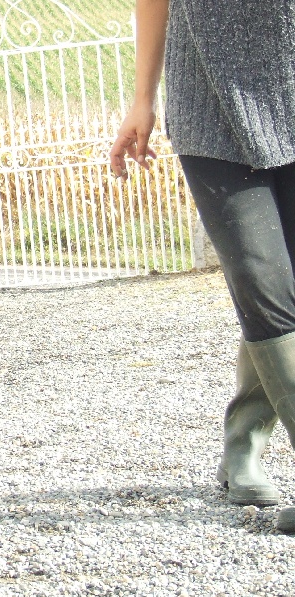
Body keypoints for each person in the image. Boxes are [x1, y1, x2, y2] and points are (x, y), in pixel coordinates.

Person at [109, 1, 295, 533]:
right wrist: (142, 99)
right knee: (262, 282)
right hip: (210, 101)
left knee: (281, 291)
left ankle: (242, 442)